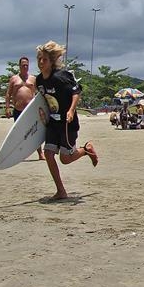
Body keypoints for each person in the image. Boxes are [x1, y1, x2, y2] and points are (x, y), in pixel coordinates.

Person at [35, 41, 98, 200]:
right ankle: (61, 191)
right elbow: (43, 100)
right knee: (48, 154)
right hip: (52, 123)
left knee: (65, 158)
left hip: (67, 123)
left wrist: (71, 110)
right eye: (39, 59)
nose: (41, 62)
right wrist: (42, 115)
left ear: (51, 61)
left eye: (44, 59)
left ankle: (86, 149)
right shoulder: (39, 81)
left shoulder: (60, 77)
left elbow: (76, 91)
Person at [5, 56, 44, 160]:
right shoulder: (14, 79)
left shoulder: (33, 79)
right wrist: (7, 108)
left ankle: (40, 153)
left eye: (27, 65)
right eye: (23, 65)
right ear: (19, 66)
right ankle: (19, 154)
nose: (25, 67)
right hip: (18, 110)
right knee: (19, 132)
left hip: (30, 110)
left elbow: (40, 93)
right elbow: (8, 94)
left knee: (35, 131)